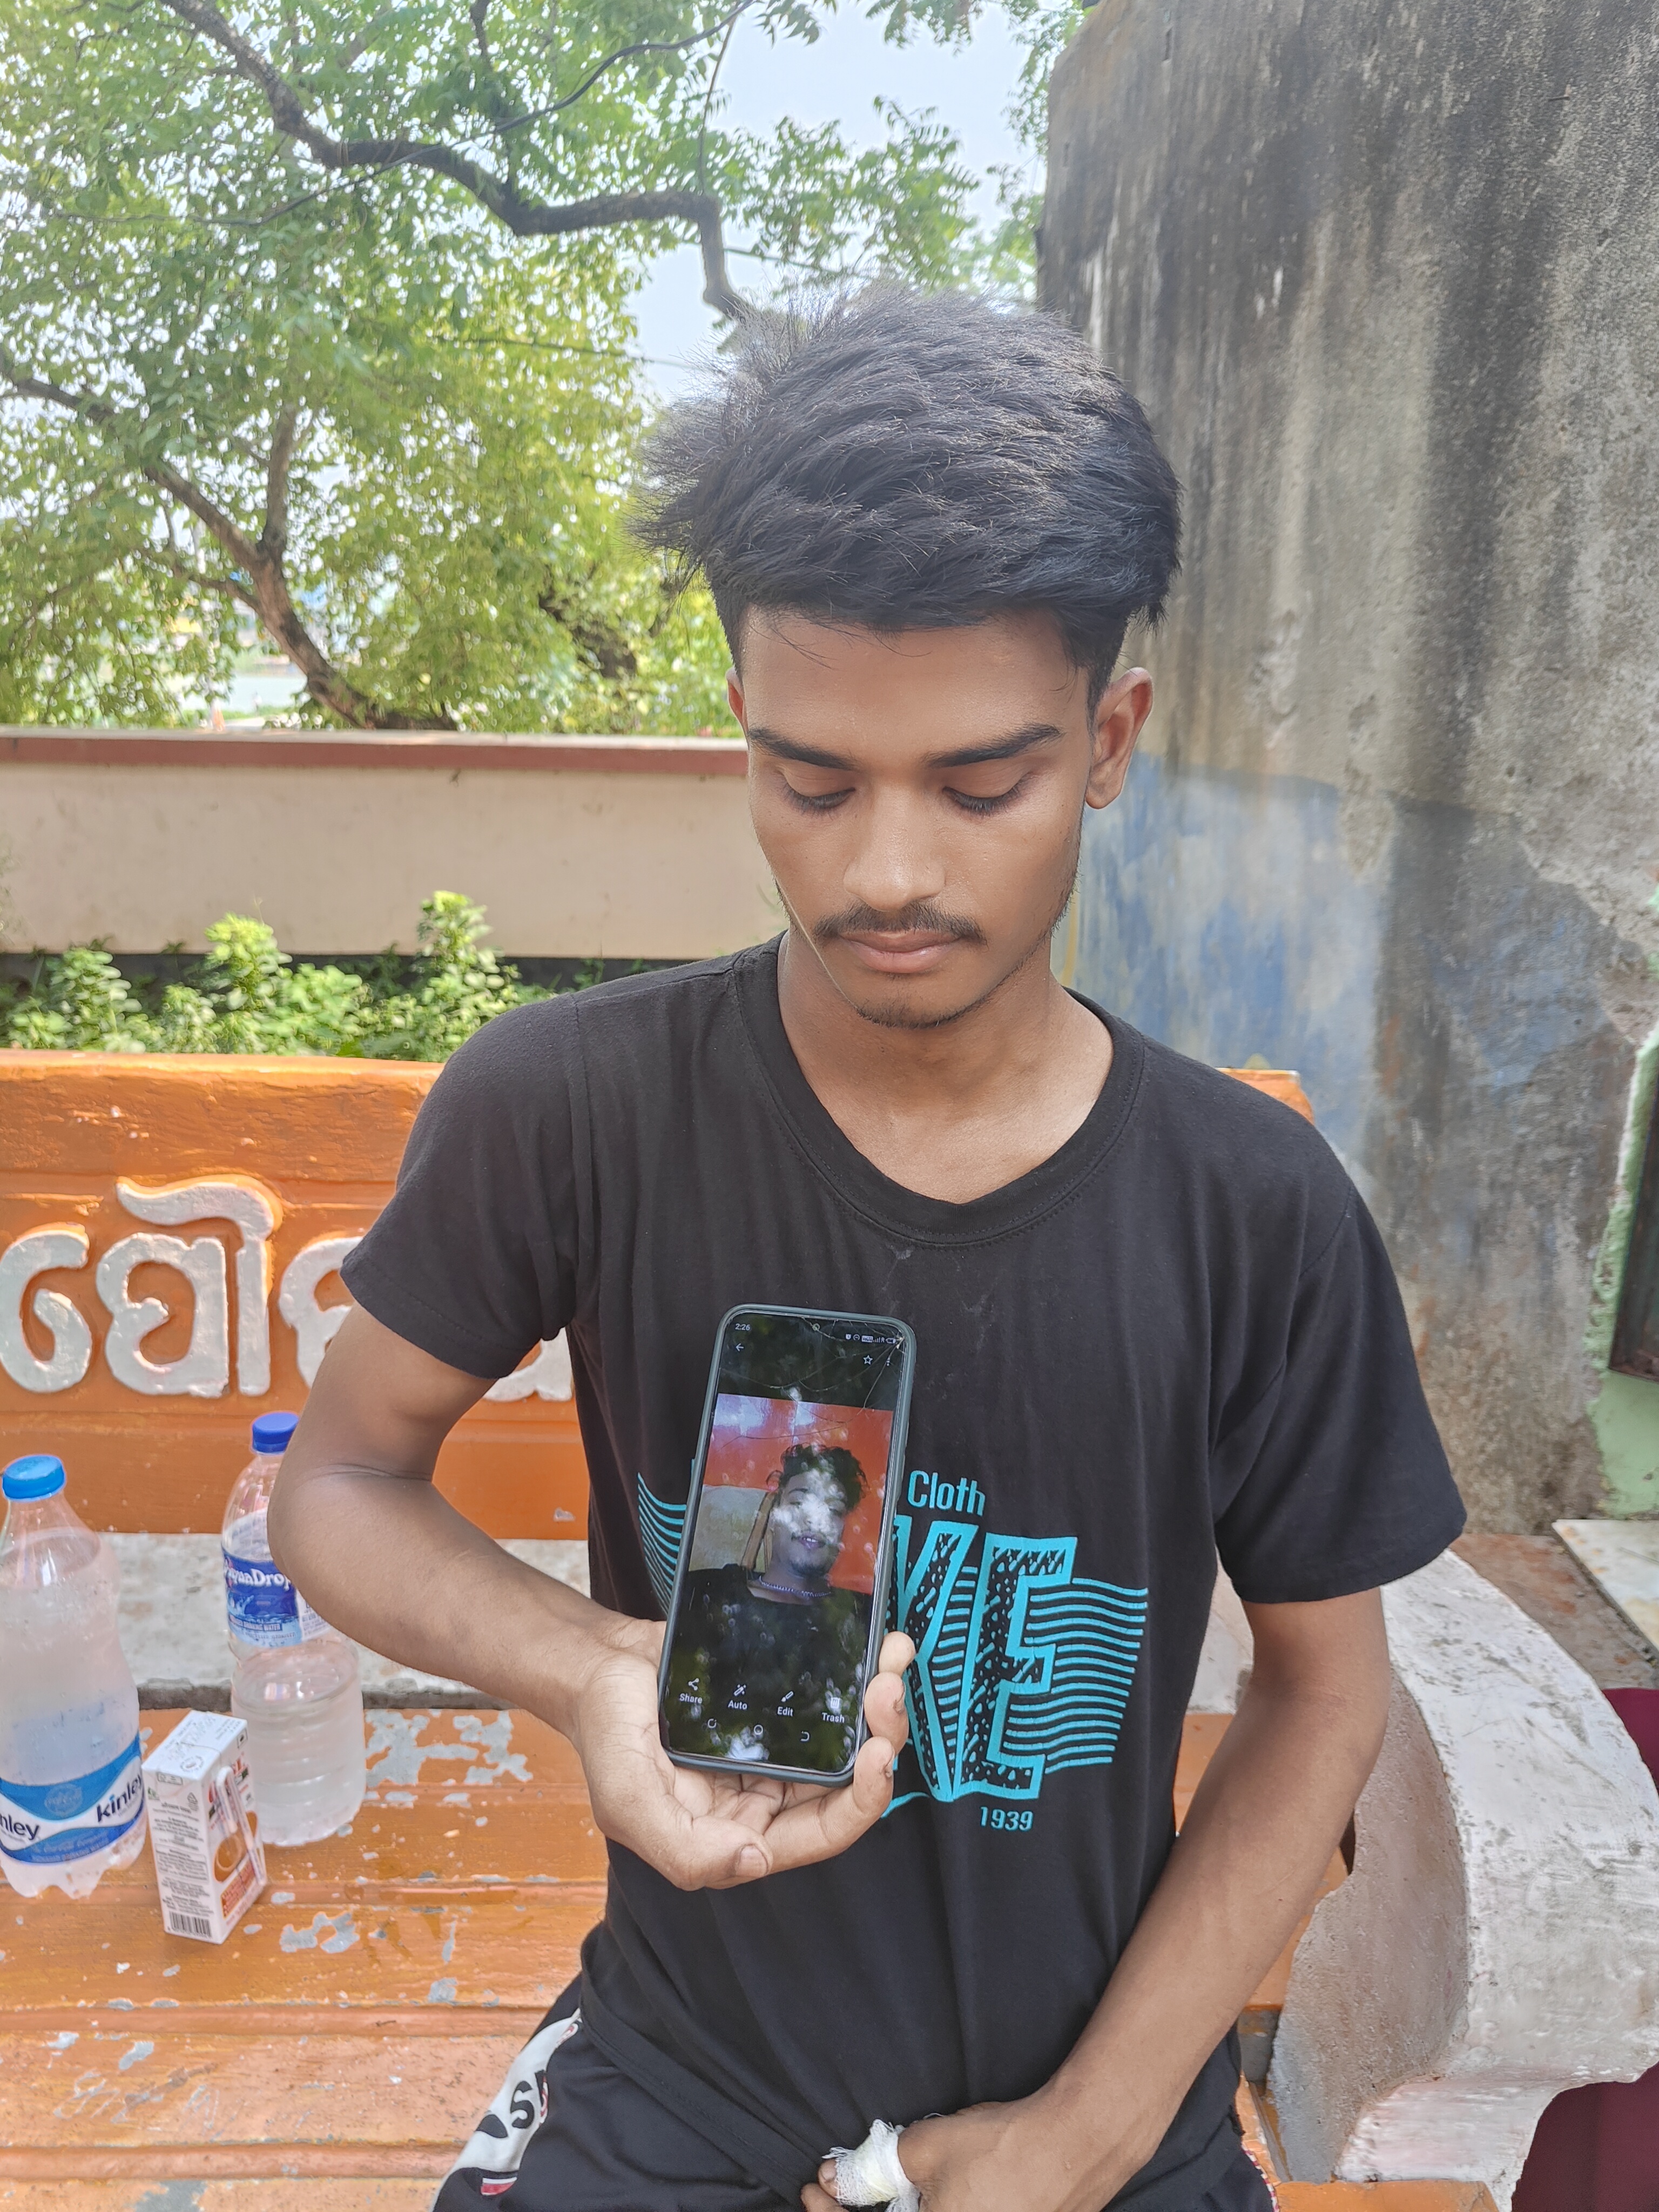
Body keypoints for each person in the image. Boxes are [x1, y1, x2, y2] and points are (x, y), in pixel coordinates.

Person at [270, 285, 1465, 2212]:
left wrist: (1077, 2139)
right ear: (741, 718)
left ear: (1109, 739)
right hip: (682, 2071)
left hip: (1110, 2104)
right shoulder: (570, 1105)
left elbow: (1326, 1692)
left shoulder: (1253, 1209)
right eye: (807, 780)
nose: (882, 871)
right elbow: (339, 1482)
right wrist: (591, 1670)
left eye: (979, 782)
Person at [665, 1444, 873, 1770]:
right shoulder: (703, 1589)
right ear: (772, 1513)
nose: (814, 1519)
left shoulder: (864, 1615)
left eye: (832, 1509)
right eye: (800, 1501)